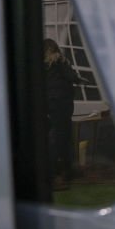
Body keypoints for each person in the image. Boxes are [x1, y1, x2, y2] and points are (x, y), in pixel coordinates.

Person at [44, 39, 78, 189]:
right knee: (61, 137)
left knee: (55, 136)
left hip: (49, 103)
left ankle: (59, 171)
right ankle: (58, 173)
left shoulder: (43, 65)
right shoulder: (60, 61)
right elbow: (72, 77)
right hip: (62, 104)